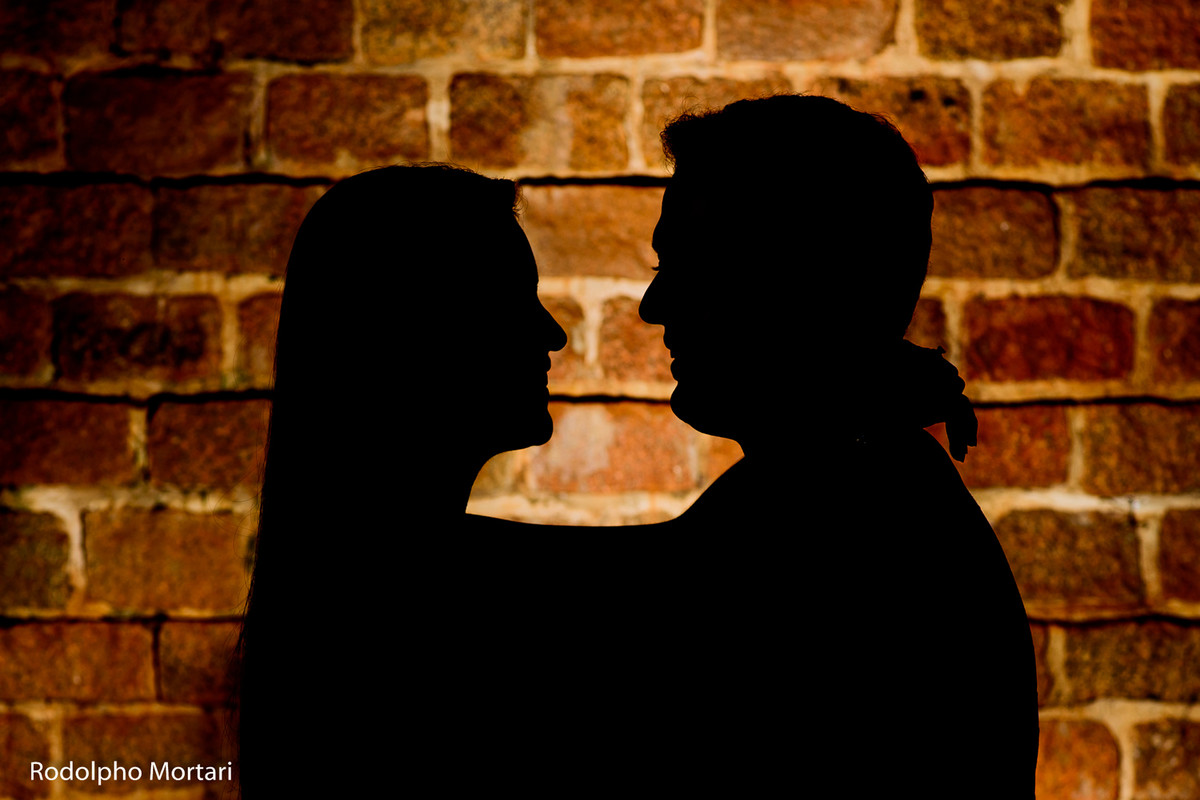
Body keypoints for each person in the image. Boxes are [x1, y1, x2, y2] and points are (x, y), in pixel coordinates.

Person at [632, 94, 1039, 795]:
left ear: (801, 281)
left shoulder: (833, 507)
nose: (654, 306)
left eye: (694, 267)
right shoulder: (852, 479)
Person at [235, 164, 567, 797]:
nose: (552, 333)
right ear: (420, 329)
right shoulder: (423, 592)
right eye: (511, 300)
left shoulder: (343, 582)